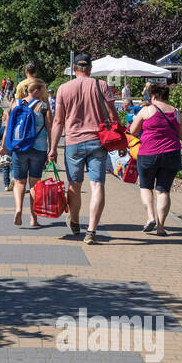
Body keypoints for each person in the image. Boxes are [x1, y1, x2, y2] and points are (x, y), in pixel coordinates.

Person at [48, 54, 121, 245]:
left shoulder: (63, 89)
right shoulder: (101, 85)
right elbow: (114, 116)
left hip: (73, 143)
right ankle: (91, 231)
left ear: (74, 69)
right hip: (98, 141)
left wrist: (53, 148)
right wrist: (121, 141)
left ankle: (74, 220)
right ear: (90, 69)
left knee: (74, 185)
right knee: (97, 185)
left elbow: (58, 121)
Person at [129, 82, 182, 236]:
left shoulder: (146, 110)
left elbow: (133, 131)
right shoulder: (176, 112)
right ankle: (161, 227)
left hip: (148, 154)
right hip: (171, 154)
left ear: (153, 96)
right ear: (167, 96)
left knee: (146, 187)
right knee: (163, 191)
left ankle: (150, 217)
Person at [0, 77, 53, 227]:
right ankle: (33, 219)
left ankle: (18, 209)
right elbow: (50, 128)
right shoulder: (42, 106)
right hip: (39, 149)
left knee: (19, 182)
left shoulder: (15, 104)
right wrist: (52, 149)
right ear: (36, 91)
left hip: (18, 147)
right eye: (43, 90)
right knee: (34, 184)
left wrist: (4, 146)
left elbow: (8, 128)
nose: (45, 93)